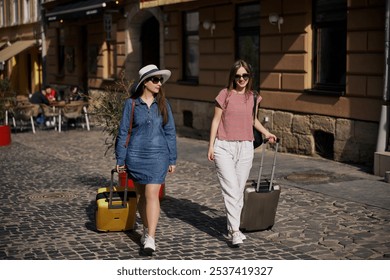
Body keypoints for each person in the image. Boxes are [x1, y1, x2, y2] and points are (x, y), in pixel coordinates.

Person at [207, 59, 277, 246]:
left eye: (245, 75)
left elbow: (253, 120)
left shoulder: (254, 97)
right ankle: (236, 231)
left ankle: (232, 227)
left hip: (246, 146)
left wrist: (267, 133)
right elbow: (215, 120)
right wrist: (211, 145)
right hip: (223, 146)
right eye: (238, 76)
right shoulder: (225, 94)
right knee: (230, 189)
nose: (241, 79)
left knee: (238, 190)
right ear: (233, 77)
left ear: (249, 76)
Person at [115, 64, 177, 255]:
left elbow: (170, 132)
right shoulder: (131, 104)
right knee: (142, 196)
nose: (159, 83)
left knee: (152, 194)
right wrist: (120, 158)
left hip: (159, 156)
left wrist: (172, 158)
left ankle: (151, 237)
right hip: (136, 156)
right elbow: (123, 131)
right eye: (155, 80)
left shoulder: (163, 104)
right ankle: (145, 230)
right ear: (145, 83)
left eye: (160, 80)